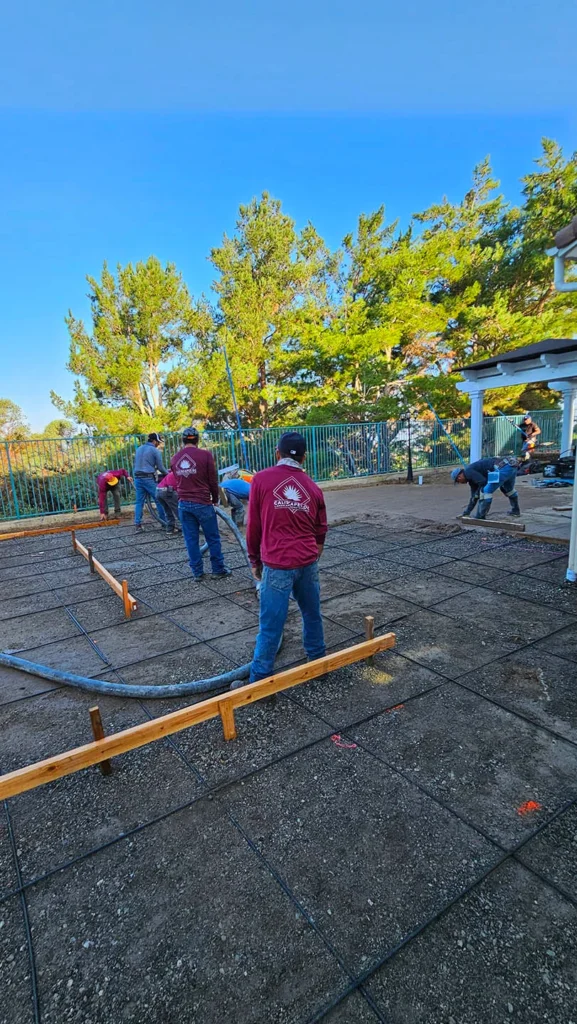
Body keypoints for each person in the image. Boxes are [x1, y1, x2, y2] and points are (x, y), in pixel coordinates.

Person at [243, 431, 327, 683]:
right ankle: (319, 664)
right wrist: (311, 557)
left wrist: (254, 560)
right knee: (312, 614)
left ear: (276, 453)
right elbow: (321, 530)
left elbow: (253, 526)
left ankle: (259, 679)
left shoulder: (261, 480)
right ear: (304, 458)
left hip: (277, 564)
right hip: (307, 562)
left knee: (271, 625)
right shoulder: (313, 487)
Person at [171, 426, 231, 580]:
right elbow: (212, 479)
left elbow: (177, 481)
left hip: (183, 504)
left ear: (183, 440)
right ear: (197, 440)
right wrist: (215, 499)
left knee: (191, 540)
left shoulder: (175, 458)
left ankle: (197, 573)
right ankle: (218, 570)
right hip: (202, 503)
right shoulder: (205, 455)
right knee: (212, 538)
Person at [451, 456, 521, 520]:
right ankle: (515, 511)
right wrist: (467, 512)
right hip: (511, 466)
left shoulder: (468, 472)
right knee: (509, 490)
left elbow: (483, 482)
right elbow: (473, 497)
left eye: (458, 481)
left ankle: (481, 516)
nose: (460, 482)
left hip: (502, 468)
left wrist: (478, 494)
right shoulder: (471, 477)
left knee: (486, 491)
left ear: (459, 476)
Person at [133, 432, 168, 530]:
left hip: (137, 478)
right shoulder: (155, 451)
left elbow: (135, 464)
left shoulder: (139, 449)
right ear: (154, 441)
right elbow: (161, 467)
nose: (158, 444)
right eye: (158, 442)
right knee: (159, 499)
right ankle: (164, 523)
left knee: (139, 502)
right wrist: (169, 475)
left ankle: (138, 525)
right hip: (148, 478)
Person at [155, 470, 181, 534]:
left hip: (158, 491)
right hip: (168, 492)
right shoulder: (180, 474)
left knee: (167, 511)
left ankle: (170, 529)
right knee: (178, 511)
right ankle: (186, 531)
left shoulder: (171, 472)